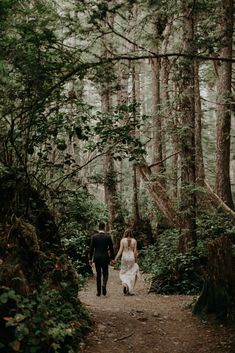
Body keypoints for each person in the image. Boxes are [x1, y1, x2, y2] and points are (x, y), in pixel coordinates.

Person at [89, 222, 114, 296]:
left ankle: (98, 292)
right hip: (105, 257)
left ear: (98, 227)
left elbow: (91, 249)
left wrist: (90, 259)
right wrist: (112, 258)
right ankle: (104, 285)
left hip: (97, 257)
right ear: (104, 228)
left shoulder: (94, 237)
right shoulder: (108, 237)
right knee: (105, 273)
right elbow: (111, 249)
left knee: (98, 274)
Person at [114, 228, 140, 295]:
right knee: (131, 272)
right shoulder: (134, 240)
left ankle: (125, 283)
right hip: (131, 257)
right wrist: (136, 260)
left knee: (123, 271)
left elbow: (120, 251)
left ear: (125, 233)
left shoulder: (122, 240)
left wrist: (116, 258)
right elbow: (135, 252)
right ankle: (130, 289)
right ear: (131, 233)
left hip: (124, 257)